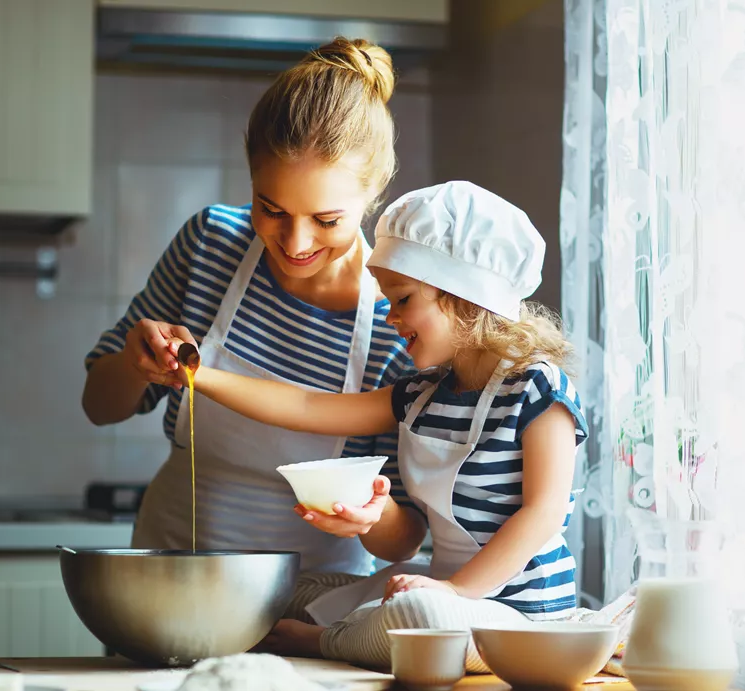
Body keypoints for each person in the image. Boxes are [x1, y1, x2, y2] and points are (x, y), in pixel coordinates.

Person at [176, 181, 590, 671]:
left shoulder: (538, 388)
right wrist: (196, 374)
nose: (391, 318)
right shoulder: (422, 394)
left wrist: (454, 591)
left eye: (403, 299)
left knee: (422, 615)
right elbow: (307, 406)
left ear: (463, 296)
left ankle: (324, 641)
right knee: (292, 589)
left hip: (518, 617)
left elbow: (543, 513)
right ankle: (357, 630)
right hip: (440, 589)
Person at [81, 37, 427, 622]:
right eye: (272, 209)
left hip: (310, 606)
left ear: (373, 193)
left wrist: (372, 516)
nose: (295, 243)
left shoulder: (398, 321)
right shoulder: (210, 246)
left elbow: (406, 536)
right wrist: (134, 364)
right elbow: (99, 405)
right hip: (166, 579)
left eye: (326, 220)